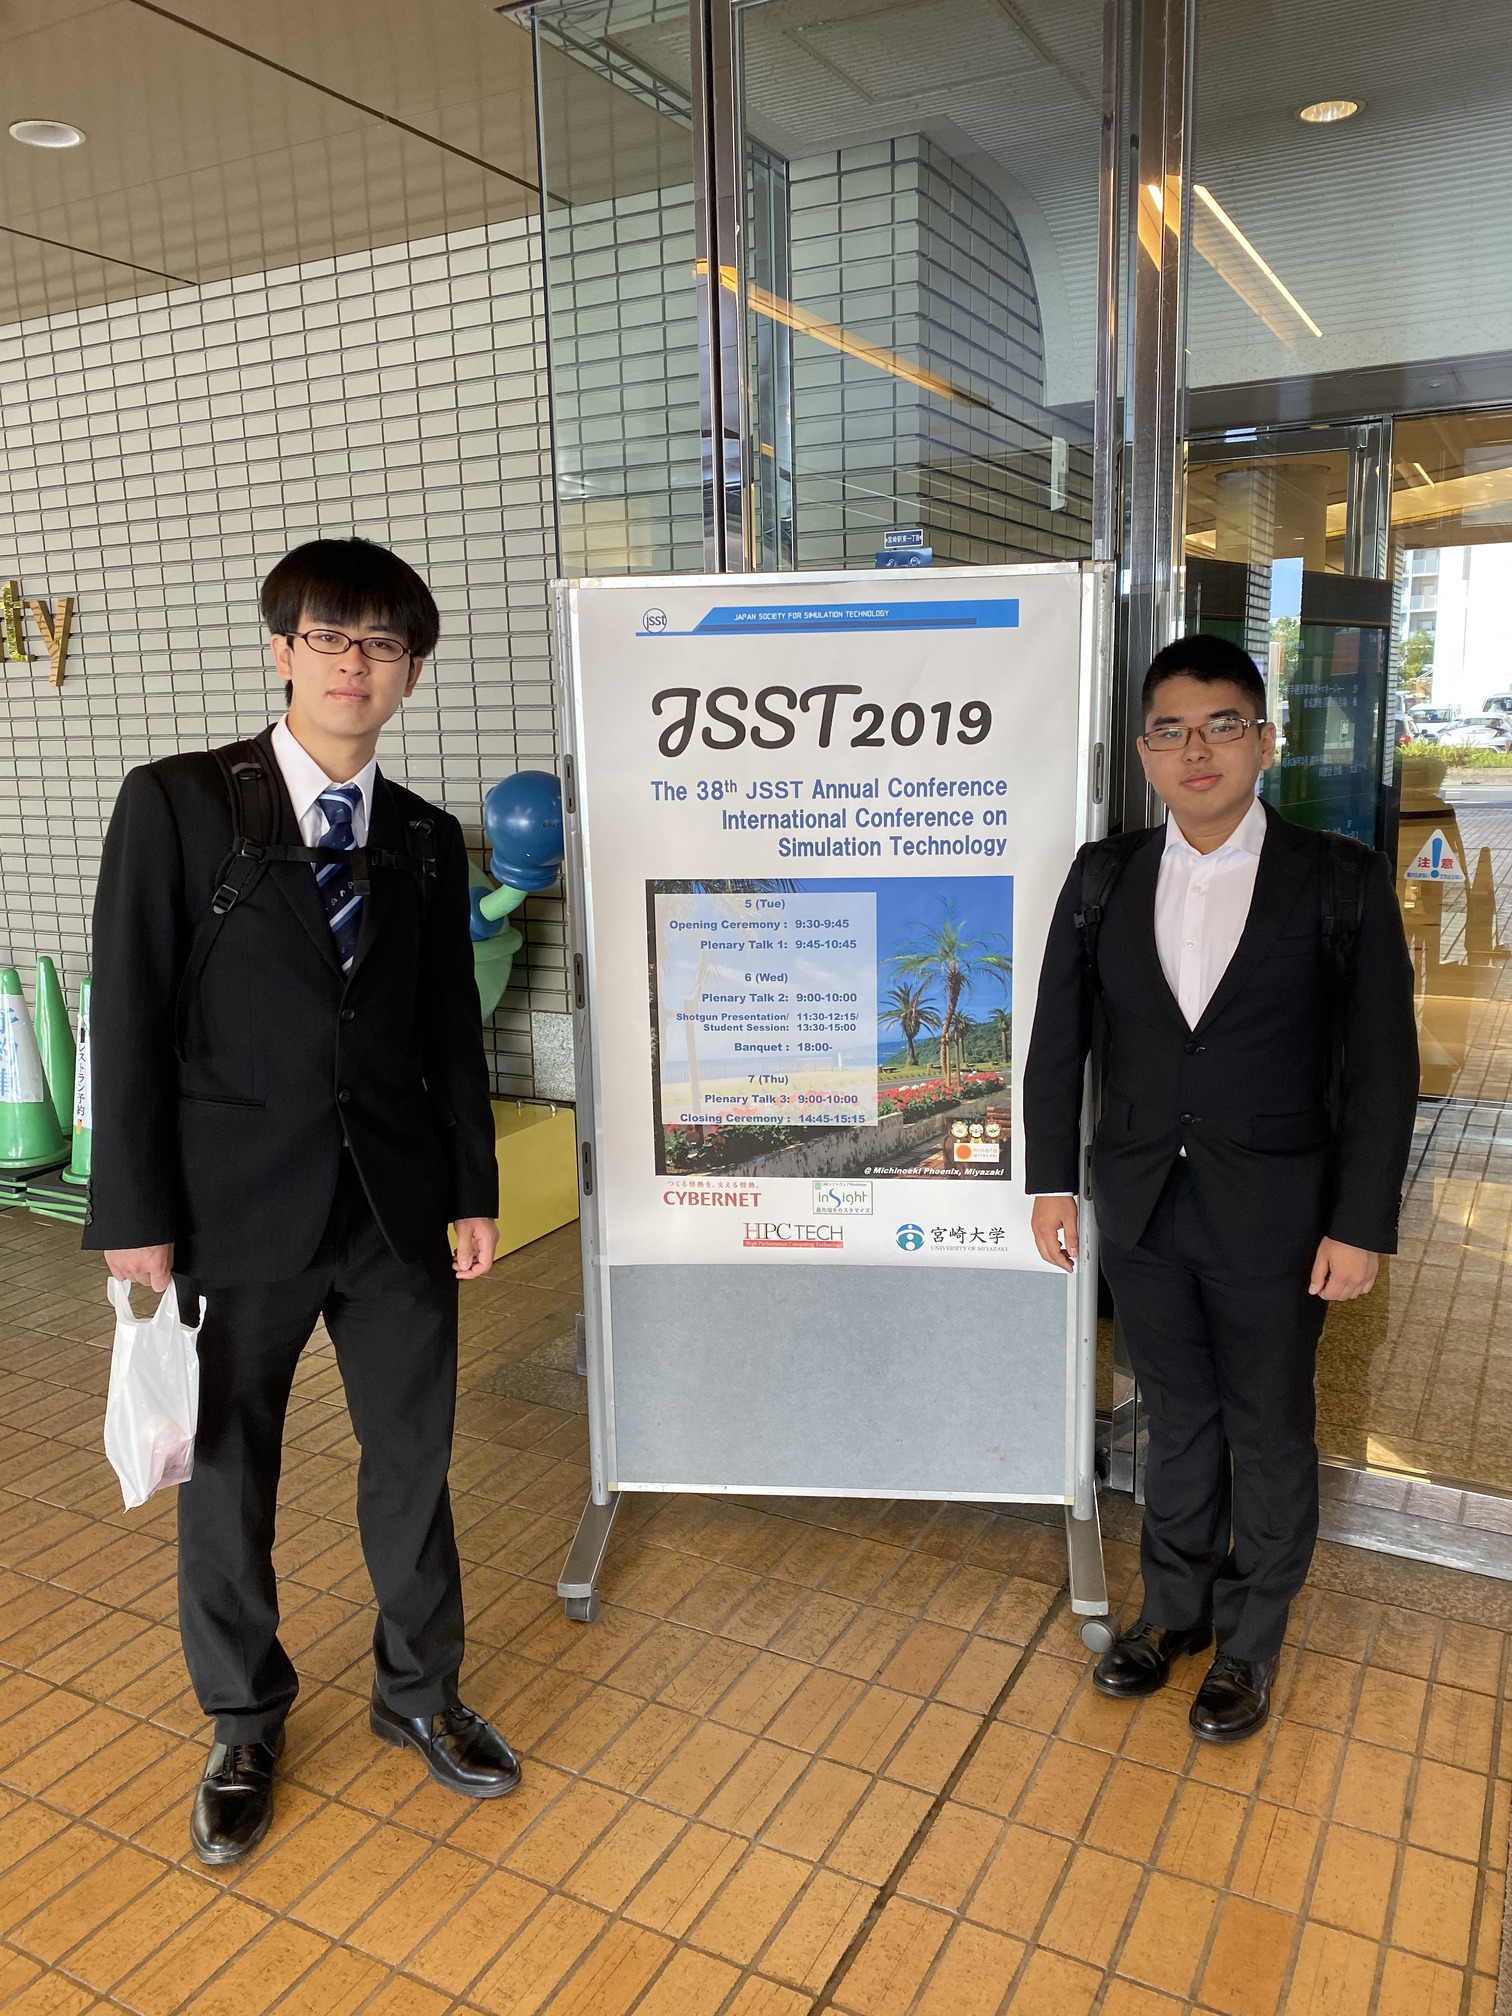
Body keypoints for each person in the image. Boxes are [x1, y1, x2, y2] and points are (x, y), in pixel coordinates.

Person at [86, 537, 521, 1863]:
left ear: (412, 673)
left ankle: (420, 1693)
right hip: (231, 1213)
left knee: (415, 1463)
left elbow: (449, 1033)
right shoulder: (179, 804)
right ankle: (242, 1719)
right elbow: (129, 1012)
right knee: (228, 1474)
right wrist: (133, 1214)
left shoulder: (426, 839)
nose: (352, 662)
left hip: (392, 1211)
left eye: (381, 643)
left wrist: (472, 1185)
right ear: (281, 649)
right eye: (328, 635)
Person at [1024, 634, 1417, 1743]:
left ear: (1264, 740)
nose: (1196, 750)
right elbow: (1059, 1039)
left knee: (1270, 1423)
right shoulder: (1103, 875)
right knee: (1177, 1413)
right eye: (1172, 730)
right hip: (1143, 1200)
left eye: (1221, 725)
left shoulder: (1336, 878)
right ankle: (1174, 1611)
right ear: (1144, 751)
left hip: (1281, 1213)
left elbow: (1383, 1068)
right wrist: (1050, 1182)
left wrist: (1360, 1224)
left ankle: (1250, 1638)